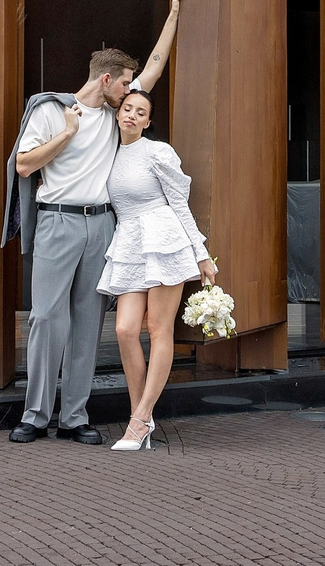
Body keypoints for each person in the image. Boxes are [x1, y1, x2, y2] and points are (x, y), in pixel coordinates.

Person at [1, 0, 184, 443]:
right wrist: (65, 134)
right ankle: (35, 414)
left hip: (103, 224)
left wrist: (173, 15)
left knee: (88, 321)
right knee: (46, 317)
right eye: (125, 83)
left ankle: (75, 417)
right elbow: (23, 165)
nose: (131, 93)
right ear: (106, 80)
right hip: (58, 221)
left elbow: (156, 67)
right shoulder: (51, 110)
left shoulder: (118, 116)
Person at [96, 85, 218, 449]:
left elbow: (180, 205)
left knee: (157, 327)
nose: (132, 115)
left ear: (148, 122)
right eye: (128, 108)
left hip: (163, 237)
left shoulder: (158, 152)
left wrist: (201, 253)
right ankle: (142, 418)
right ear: (118, 113)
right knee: (124, 329)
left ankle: (139, 420)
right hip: (130, 241)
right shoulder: (108, 154)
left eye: (141, 112)